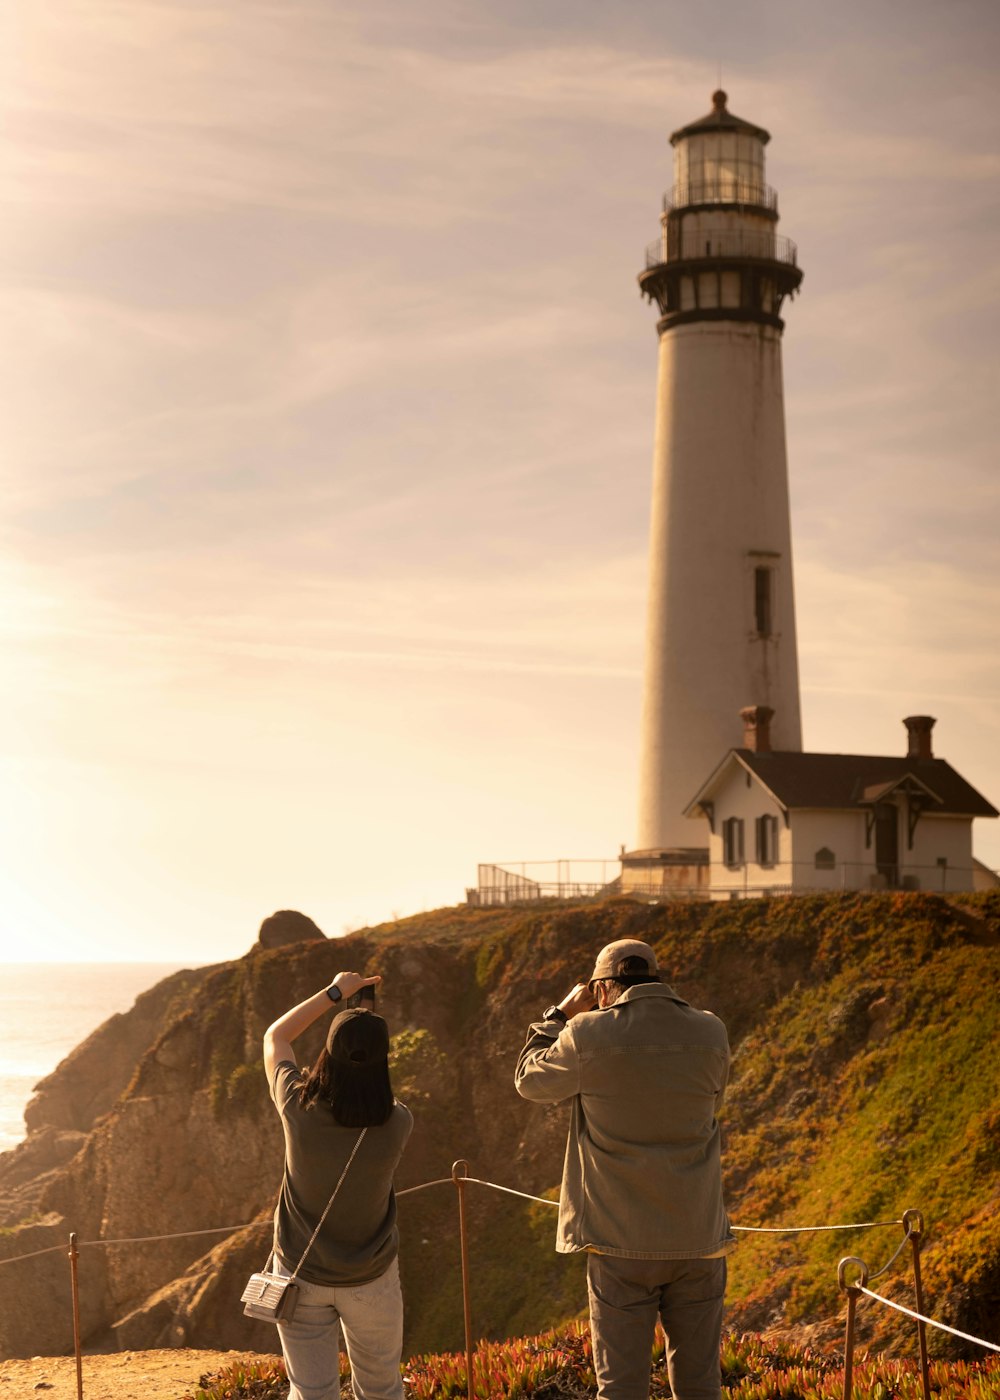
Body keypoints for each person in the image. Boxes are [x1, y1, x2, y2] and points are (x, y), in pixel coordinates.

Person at [514, 938, 733, 1400]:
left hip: (620, 1241)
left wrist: (560, 1015)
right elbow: (714, 1100)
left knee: (621, 1388)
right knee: (700, 1386)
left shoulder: (588, 1033)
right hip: (698, 1235)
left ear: (604, 988)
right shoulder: (711, 1031)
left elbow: (529, 1081)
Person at [262, 971, 412, 1400]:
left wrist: (336, 993)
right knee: (382, 1390)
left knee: (312, 1393)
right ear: (383, 1059)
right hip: (370, 1279)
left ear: (328, 1054)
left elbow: (277, 1036)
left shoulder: (297, 1106)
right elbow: (367, 1079)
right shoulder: (398, 1122)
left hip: (300, 1274)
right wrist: (365, 1021)